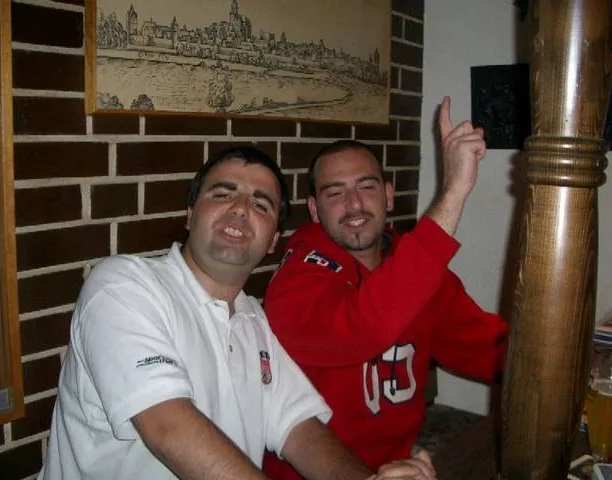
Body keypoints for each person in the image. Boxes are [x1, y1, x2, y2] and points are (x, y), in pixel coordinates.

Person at [39, 146, 437, 480]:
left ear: (273, 240)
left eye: (261, 204)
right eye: (222, 194)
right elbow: (168, 428)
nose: (241, 209)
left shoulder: (252, 320)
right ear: (190, 214)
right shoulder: (124, 286)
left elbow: (299, 429)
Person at [263, 97, 509, 478]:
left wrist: (572, 362)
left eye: (367, 186)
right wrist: (453, 193)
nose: (354, 204)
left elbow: (489, 349)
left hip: (401, 470)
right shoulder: (295, 280)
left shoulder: (415, 270)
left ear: (388, 196)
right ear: (314, 210)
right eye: (335, 193)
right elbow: (367, 325)